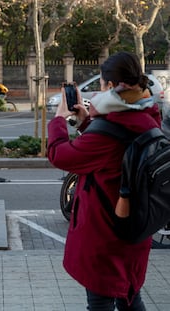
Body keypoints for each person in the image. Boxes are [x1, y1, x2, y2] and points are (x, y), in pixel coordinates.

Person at [47, 51, 161, 310]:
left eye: (100, 84)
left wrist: (57, 120)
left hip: (106, 232)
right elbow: (117, 152)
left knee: (101, 301)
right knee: (129, 296)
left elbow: (60, 155)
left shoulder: (110, 128)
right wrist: (88, 122)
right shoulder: (147, 113)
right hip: (136, 226)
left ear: (110, 86)